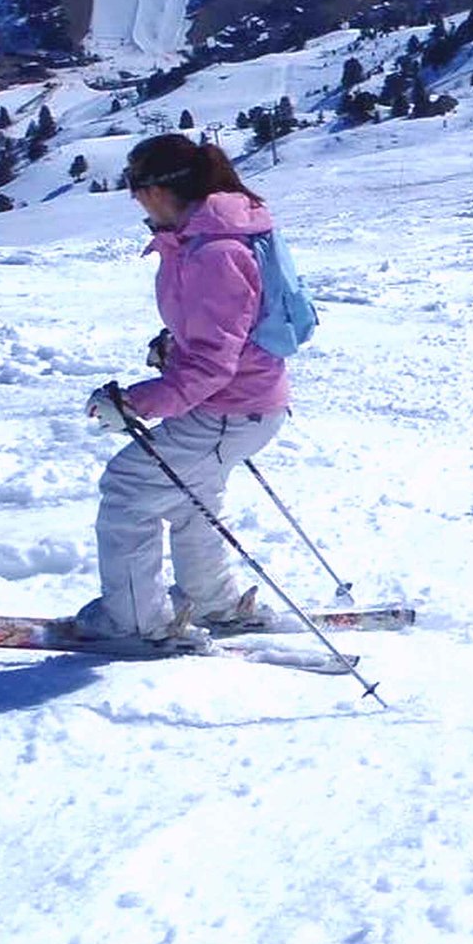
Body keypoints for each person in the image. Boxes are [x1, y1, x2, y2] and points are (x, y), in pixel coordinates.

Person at [75, 133, 291, 643]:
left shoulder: (213, 252)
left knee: (129, 488)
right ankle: (217, 603)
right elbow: (224, 331)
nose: (134, 200)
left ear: (159, 188)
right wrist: (175, 348)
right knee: (191, 495)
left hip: (229, 408)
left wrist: (137, 402)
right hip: (242, 405)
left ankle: (133, 623)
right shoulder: (203, 238)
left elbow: (216, 363)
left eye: (136, 186)